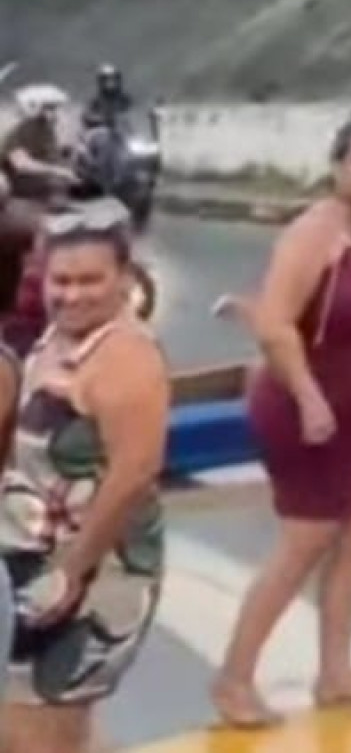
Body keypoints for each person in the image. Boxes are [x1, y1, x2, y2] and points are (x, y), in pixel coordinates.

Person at [213, 114, 351, 730]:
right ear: (336, 166)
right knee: (305, 540)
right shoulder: (314, 234)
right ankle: (234, 680)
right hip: (307, 412)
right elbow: (276, 325)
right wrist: (310, 398)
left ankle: (336, 671)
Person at [0, 200, 167, 749]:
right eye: (61, 280)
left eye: (91, 280)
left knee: (34, 729)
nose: (72, 295)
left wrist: (71, 572)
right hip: (34, 557)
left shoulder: (124, 356)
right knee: (53, 726)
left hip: (92, 571)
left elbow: (134, 472)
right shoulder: (56, 339)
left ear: (124, 278)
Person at [0, 91, 76, 211]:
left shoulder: (46, 131)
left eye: (54, 108)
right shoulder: (20, 130)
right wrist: (58, 171)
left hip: (33, 182)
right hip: (12, 180)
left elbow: (52, 158)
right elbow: (21, 164)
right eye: (49, 108)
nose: (55, 114)